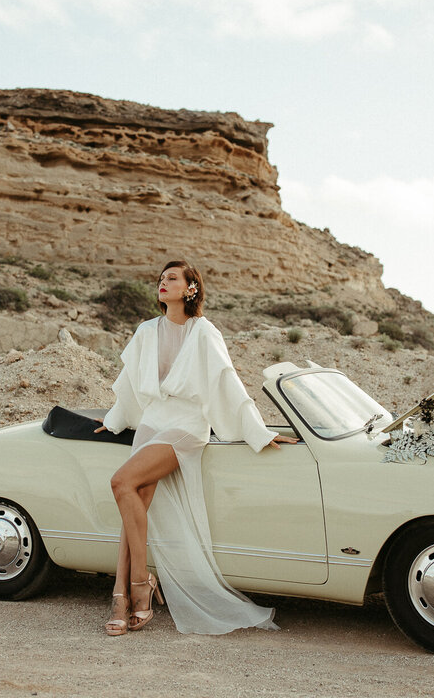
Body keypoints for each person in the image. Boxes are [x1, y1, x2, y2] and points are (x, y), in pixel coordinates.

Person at [96, 259, 295, 636]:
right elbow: (130, 383)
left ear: (191, 287)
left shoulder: (204, 331)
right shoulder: (145, 331)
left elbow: (227, 381)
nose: (162, 283)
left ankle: (138, 585)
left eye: (171, 278)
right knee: (133, 501)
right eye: (160, 279)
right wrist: (114, 419)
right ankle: (122, 593)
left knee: (122, 483)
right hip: (153, 420)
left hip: (187, 425)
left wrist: (258, 431)